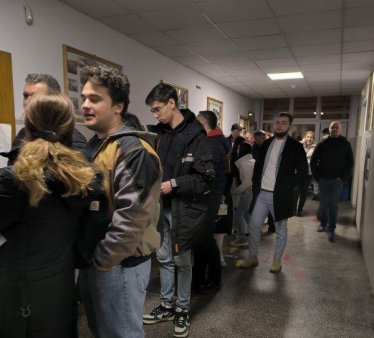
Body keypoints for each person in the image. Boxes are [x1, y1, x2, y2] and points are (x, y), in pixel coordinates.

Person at [0, 93, 104, 338]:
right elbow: (91, 232)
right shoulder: (86, 180)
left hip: (19, 292)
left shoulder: (13, 181)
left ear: (28, 126)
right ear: (70, 128)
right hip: (61, 283)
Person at [77, 66, 162, 338]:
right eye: (83, 98)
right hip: (97, 261)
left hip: (118, 266)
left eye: (95, 99)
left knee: (121, 334)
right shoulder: (97, 145)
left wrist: (102, 261)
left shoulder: (133, 152)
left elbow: (131, 221)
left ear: (118, 106)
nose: (85, 105)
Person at [143, 83, 214, 338]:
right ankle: (167, 304)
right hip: (160, 209)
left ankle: (182, 308)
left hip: (183, 209)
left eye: (157, 109)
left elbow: (206, 178)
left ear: (172, 103)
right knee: (162, 258)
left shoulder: (196, 135)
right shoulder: (158, 134)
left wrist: (173, 184)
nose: (154, 115)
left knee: (182, 261)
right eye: (152, 110)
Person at [236, 113, 308, 273]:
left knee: (281, 230)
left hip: (280, 196)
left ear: (289, 126)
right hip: (262, 194)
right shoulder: (267, 143)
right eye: (277, 123)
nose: (280, 126)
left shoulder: (295, 146)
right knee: (254, 226)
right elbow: (259, 167)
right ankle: (253, 257)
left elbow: (303, 172)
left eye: (284, 123)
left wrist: (289, 186)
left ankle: (277, 261)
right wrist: (255, 186)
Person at [3, 74, 86, 165]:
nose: (28, 102)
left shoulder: (75, 140)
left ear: (54, 100)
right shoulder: (23, 134)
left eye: (36, 97)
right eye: (26, 96)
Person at [193, 110, 230, 292]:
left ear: (204, 124)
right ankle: (199, 278)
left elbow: (208, 176)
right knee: (202, 239)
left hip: (208, 197)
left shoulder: (212, 144)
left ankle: (213, 279)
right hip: (209, 197)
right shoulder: (214, 141)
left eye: (197, 122)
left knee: (206, 239)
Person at [311, 121, 354, 242]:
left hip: (337, 181)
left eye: (336, 127)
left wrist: (343, 177)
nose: (334, 129)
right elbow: (314, 161)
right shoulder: (322, 143)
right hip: (323, 180)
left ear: (340, 130)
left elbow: (350, 162)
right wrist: (317, 177)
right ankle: (323, 224)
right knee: (323, 205)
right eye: (332, 127)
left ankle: (332, 228)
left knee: (333, 205)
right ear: (329, 129)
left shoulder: (345, 144)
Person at [231, 142, 255, 247]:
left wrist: (235, 192)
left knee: (238, 214)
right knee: (245, 213)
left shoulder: (245, 163)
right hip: (250, 191)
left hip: (248, 191)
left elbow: (248, 182)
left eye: (238, 148)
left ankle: (242, 239)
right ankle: (254, 235)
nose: (237, 150)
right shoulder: (249, 161)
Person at [253, 130, 275, 233]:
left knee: (269, 202)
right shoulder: (254, 148)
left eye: (264, 138)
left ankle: (272, 225)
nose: (263, 140)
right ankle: (259, 227)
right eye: (262, 138)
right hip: (259, 180)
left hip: (267, 179)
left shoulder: (267, 148)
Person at [293, 131, 316, 217]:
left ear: (313, 139)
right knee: (295, 191)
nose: (309, 139)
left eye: (311, 137)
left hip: (308, 173)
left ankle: (300, 210)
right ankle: (293, 209)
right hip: (298, 172)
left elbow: (315, 160)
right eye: (307, 137)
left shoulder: (315, 148)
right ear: (305, 137)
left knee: (303, 192)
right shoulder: (299, 146)